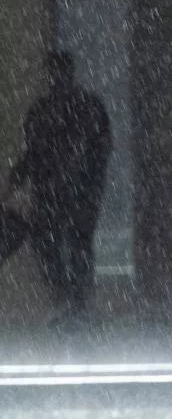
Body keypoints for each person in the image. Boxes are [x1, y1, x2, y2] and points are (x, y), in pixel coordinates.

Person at [3, 51, 111, 327]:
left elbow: (34, 154)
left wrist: (18, 181)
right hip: (72, 191)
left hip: (57, 191)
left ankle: (68, 301)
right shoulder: (87, 106)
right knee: (73, 245)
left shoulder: (44, 111)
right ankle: (75, 303)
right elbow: (100, 151)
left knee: (54, 245)